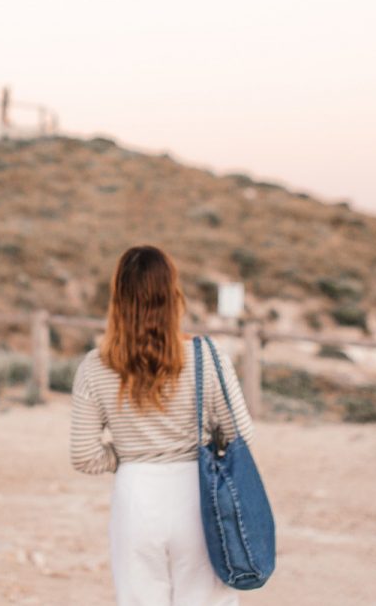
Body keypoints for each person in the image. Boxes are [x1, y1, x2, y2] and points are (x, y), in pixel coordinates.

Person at [70, 246, 252, 605]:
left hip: (135, 497)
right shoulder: (206, 355)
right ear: (174, 295)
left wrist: (131, 456)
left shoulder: (95, 366)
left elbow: (84, 455)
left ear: (118, 298)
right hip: (198, 496)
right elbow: (241, 434)